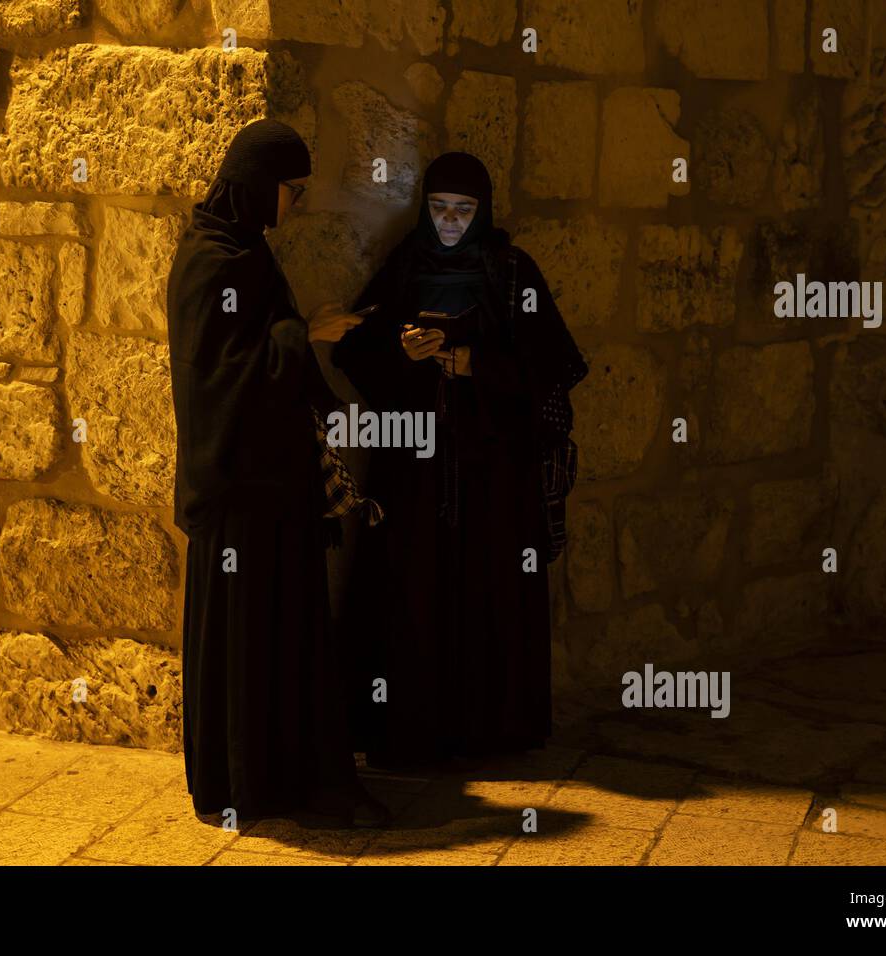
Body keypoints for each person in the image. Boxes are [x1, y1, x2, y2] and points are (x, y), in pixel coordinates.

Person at [166, 118, 389, 827]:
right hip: (240, 491)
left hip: (269, 487)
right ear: (260, 186)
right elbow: (223, 381)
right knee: (250, 636)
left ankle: (276, 774)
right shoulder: (213, 261)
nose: (295, 206)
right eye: (292, 192)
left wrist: (301, 331)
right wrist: (305, 334)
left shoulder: (242, 253)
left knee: (276, 635)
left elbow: (254, 351)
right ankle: (247, 781)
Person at [332, 151, 588, 770]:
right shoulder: (407, 267)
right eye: (440, 209)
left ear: (483, 211)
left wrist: (478, 367)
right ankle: (413, 728)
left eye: (463, 211)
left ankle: (489, 728)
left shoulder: (511, 274)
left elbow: (553, 366)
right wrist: (408, 356)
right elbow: (357, 349)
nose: (449, 222)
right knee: (412, 587)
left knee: (488, 586)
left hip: (492, 469)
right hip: (416, 466)